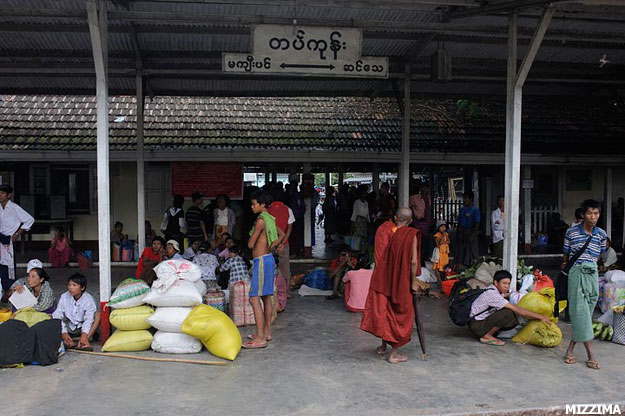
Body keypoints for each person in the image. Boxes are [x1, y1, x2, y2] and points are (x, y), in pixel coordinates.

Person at [360, 207, 420, 364]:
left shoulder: (385, 230)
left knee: (386, 310)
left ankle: (383, 346)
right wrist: (413, 281)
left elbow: (380, 255)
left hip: (385, 277)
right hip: (400, 280)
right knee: (398, 313)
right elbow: (413, 262)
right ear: (410, 221)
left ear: (395, 218)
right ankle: (394, 354)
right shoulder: (410, 235)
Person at [562, 199, 607, 370]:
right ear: (583, 214)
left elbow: (599, 255)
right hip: (576, 272)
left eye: (596, 213)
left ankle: (570, 349)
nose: (593, 217)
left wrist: (590, 265)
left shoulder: (601, 234)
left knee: (586, 312)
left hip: (592, 274)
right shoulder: (571, 233)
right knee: (579, 311)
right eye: (590, 213)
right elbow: (565, 254)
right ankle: (590, 354)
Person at [243, 191, 284, 349]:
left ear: (262, 205)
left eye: (254, 204)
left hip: (260, 262)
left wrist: (254, 235)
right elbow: (281, 234)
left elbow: (250, 244)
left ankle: (260, 338)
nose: (252, 207)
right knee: (266, 297)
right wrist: (274, 245)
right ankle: (266, 333)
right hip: (269, 259)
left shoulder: (260, 220)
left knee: (254, 298)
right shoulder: (270, 219)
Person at [468, 270, 551, 346]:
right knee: (508, 313)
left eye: (508, 283)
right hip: (477, 326)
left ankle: (491, 332)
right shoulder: (492, 294)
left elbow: (504, 295)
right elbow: (517, 310)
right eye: (504, 283)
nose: (507, 286)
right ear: (496, 283)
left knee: (508, 310)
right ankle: (487, 336)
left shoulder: (493, 290)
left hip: (478, 323)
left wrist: (515, 294)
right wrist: (541, 317)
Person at [0, 184, 35, 295]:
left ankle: (9, 291)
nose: (0, 195)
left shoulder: (14, 208)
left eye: (2, 193)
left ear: (8, 195)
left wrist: (18, 233)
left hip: (8, 240)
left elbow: (29, 219)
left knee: (8, 267)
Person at [53, 273, 100, 350]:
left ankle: (84, 340)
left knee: (98, 315)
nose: (70, 288)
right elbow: (58, 314)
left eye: (74, 285)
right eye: (69, 285)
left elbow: (88, 320)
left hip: (82, 328)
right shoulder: (64, 296)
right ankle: (69, 340)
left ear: (82, 287)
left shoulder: (88, 300)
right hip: (69, 326)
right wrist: (64, 333)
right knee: (52, 317)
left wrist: (84, 335)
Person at [268, 189, 294, 292]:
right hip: (284, 242)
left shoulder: (267, 210)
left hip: (270, 242)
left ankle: (271, 290)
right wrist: (282, 243)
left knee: (269, 266)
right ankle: (287, 291)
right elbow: (289, 229)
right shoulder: (288, 210)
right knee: (285, 266)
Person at [456, 191, 480, 269]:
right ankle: (461, 266)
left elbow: (477, 223)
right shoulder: (462, 209)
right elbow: (459, 221)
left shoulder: (475, 210)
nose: (464, 200)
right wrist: (459, 232)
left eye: (465, 198)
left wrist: (473, 235)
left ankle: (473, 266)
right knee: (461, 249)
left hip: (471, 231)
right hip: (462, 231)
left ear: (471, 199)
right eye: (463, 198)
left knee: (472, 249)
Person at [409, 185, 431, 265]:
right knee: (418, 240)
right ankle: (417, 259)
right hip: (418, 221)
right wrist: (413, 215)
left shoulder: (428, 199)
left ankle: (423, 258)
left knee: (425, 241)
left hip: (425, 222)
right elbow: (408, 206)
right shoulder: (414, 198)